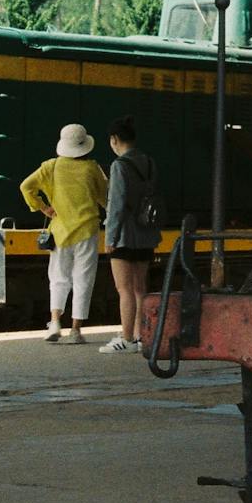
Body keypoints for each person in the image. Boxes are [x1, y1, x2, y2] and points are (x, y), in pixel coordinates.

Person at [19, 123, 109, 345]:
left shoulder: (51, 167)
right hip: (87, 230)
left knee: (59, 278)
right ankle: (76, 331)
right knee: (83, 279)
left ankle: (55, 322)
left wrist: (43, 208)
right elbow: (104, 197)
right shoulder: (92, 168)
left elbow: (26, 186)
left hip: (60, 232)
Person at [102, 118, 158, 353]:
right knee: (139, 288)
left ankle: (125, 338)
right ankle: (140, 336)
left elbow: (116, 204)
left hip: (125, 234)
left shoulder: (119, 166)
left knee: (123, 288)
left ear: (114, 140)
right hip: (146, 233)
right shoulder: (149, 162)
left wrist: (110, 237)